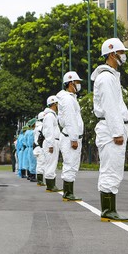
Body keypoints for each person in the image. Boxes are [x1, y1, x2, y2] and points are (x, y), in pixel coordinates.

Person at [91, 37, 128, 222]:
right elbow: (110, 107)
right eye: (121, 52)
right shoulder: (106, 78)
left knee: (113, 168)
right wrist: (117, 132)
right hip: (111, 128)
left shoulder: (111, 77)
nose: (123, 56)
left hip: (112, 127)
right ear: (113, 54)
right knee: (110, 169)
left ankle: (110, 209)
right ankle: (108, 210)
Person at [57, 71, 84, 202]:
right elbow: (70, 120)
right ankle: (68, 193)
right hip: (70, 136)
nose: (79, 85)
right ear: (71, 83)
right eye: (77, 82)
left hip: (72, 136)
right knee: (69, 164)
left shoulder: (70, 98)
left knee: (73, 164)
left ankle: (69, 192)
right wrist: (74, 138)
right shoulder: (67, 99)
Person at [42, 96, 61, 193]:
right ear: (54, 104)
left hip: (53, 141)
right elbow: (49, 131)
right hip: (52, 141)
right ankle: (50, 185)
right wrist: (50, 145)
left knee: (52, 163)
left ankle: (51, 184)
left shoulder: (51, 115)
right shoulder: (50, 116)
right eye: (57, 103)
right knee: (51, 163)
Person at [32, 112, 45, 186]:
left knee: (39, 164)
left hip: (37, 147)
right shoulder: (41, 127)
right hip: (40, 147)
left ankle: (40, 180)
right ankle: (40, 181)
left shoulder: (37, 127)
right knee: (41, 164)